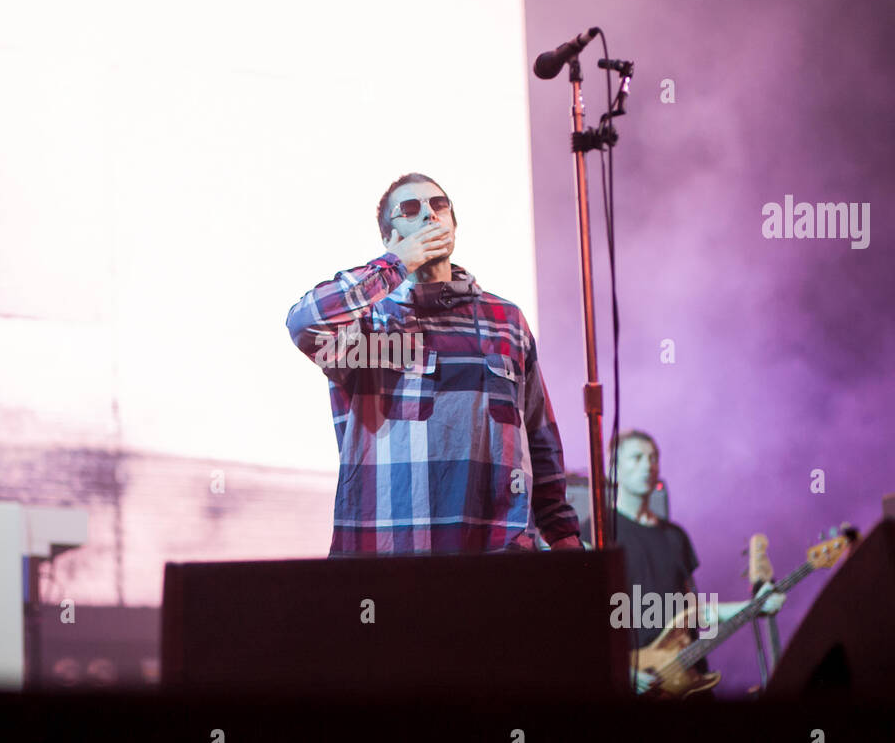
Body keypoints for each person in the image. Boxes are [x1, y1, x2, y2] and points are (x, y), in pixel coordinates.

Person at [285, 172, 582, 556]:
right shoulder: (368, 323)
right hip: (392, 556)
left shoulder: (505, 319)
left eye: (439, 205)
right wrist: (396, 265)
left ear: (453, 224)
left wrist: (562, 533)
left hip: (499, 555)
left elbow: (538, 435)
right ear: (389, 238)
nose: (429, 214)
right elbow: (303, 323)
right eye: (410, 209)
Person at [608, 429, 784, 679]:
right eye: (637, 458)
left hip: (688, 676)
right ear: (612, 468)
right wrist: (625, 674)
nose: (648, 465)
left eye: (653, 458)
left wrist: (755, 606)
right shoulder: (598, 531)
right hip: (638, 678)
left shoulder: (675, 536)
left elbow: (697, 613)